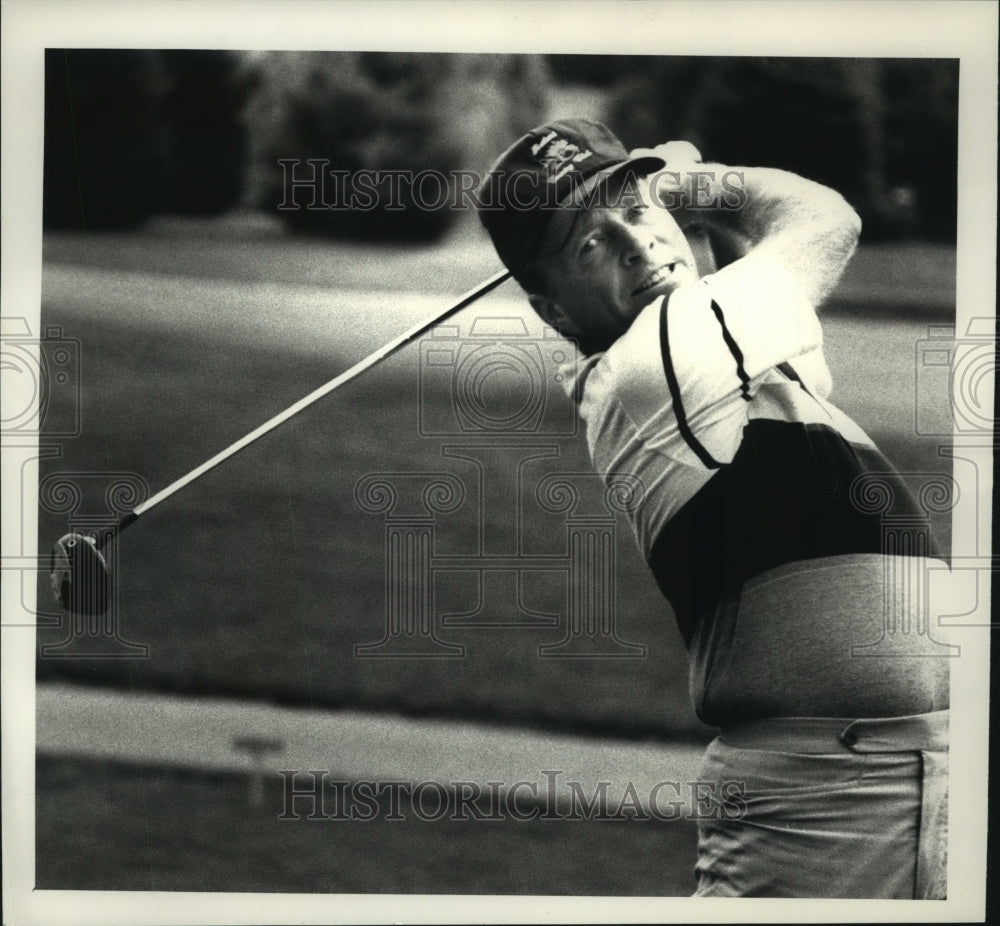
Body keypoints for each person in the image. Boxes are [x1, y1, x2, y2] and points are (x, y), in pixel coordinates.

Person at [477, 118, 949, 898]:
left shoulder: (714, 369)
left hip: (903, 782)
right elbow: (825, 218)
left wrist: (680, 214)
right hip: (827, 806)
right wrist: (692, 187)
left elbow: (761, 310)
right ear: (554, 312)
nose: (636, 244)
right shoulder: (657, 359)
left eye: (636, 210)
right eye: (590, 245)